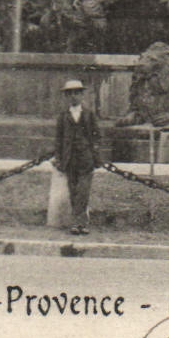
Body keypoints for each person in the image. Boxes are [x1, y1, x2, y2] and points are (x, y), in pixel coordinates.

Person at [53, 78, 104, 235]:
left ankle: (79, 222)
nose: (73, 96)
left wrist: (95, 154)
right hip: (70, 159)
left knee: (83, 191)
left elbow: (96, 136)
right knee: (73, 190)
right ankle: (79, 224)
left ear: (82, 95)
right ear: (66, 97)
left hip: (85, 158)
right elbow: (59, 139)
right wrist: (58, 158)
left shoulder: (89, 115)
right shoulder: (63, 117)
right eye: (70, 94)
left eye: (77, 93)